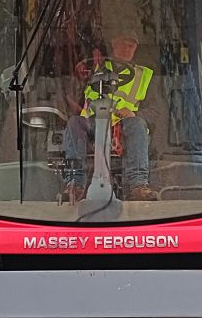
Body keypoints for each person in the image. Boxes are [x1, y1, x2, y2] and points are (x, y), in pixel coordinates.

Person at [62, 34, 159, 202]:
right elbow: (73, 100)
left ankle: (138, 185)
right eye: (123, 43)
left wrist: (134, 114)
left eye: (131, 45)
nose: (127, 49)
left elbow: (155, 112)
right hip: (93, 124)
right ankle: (74, 184)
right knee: (74, 123)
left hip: (125, 127)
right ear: (113, 43)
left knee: (137, 124)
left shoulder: (144, 76)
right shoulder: (92, 69)